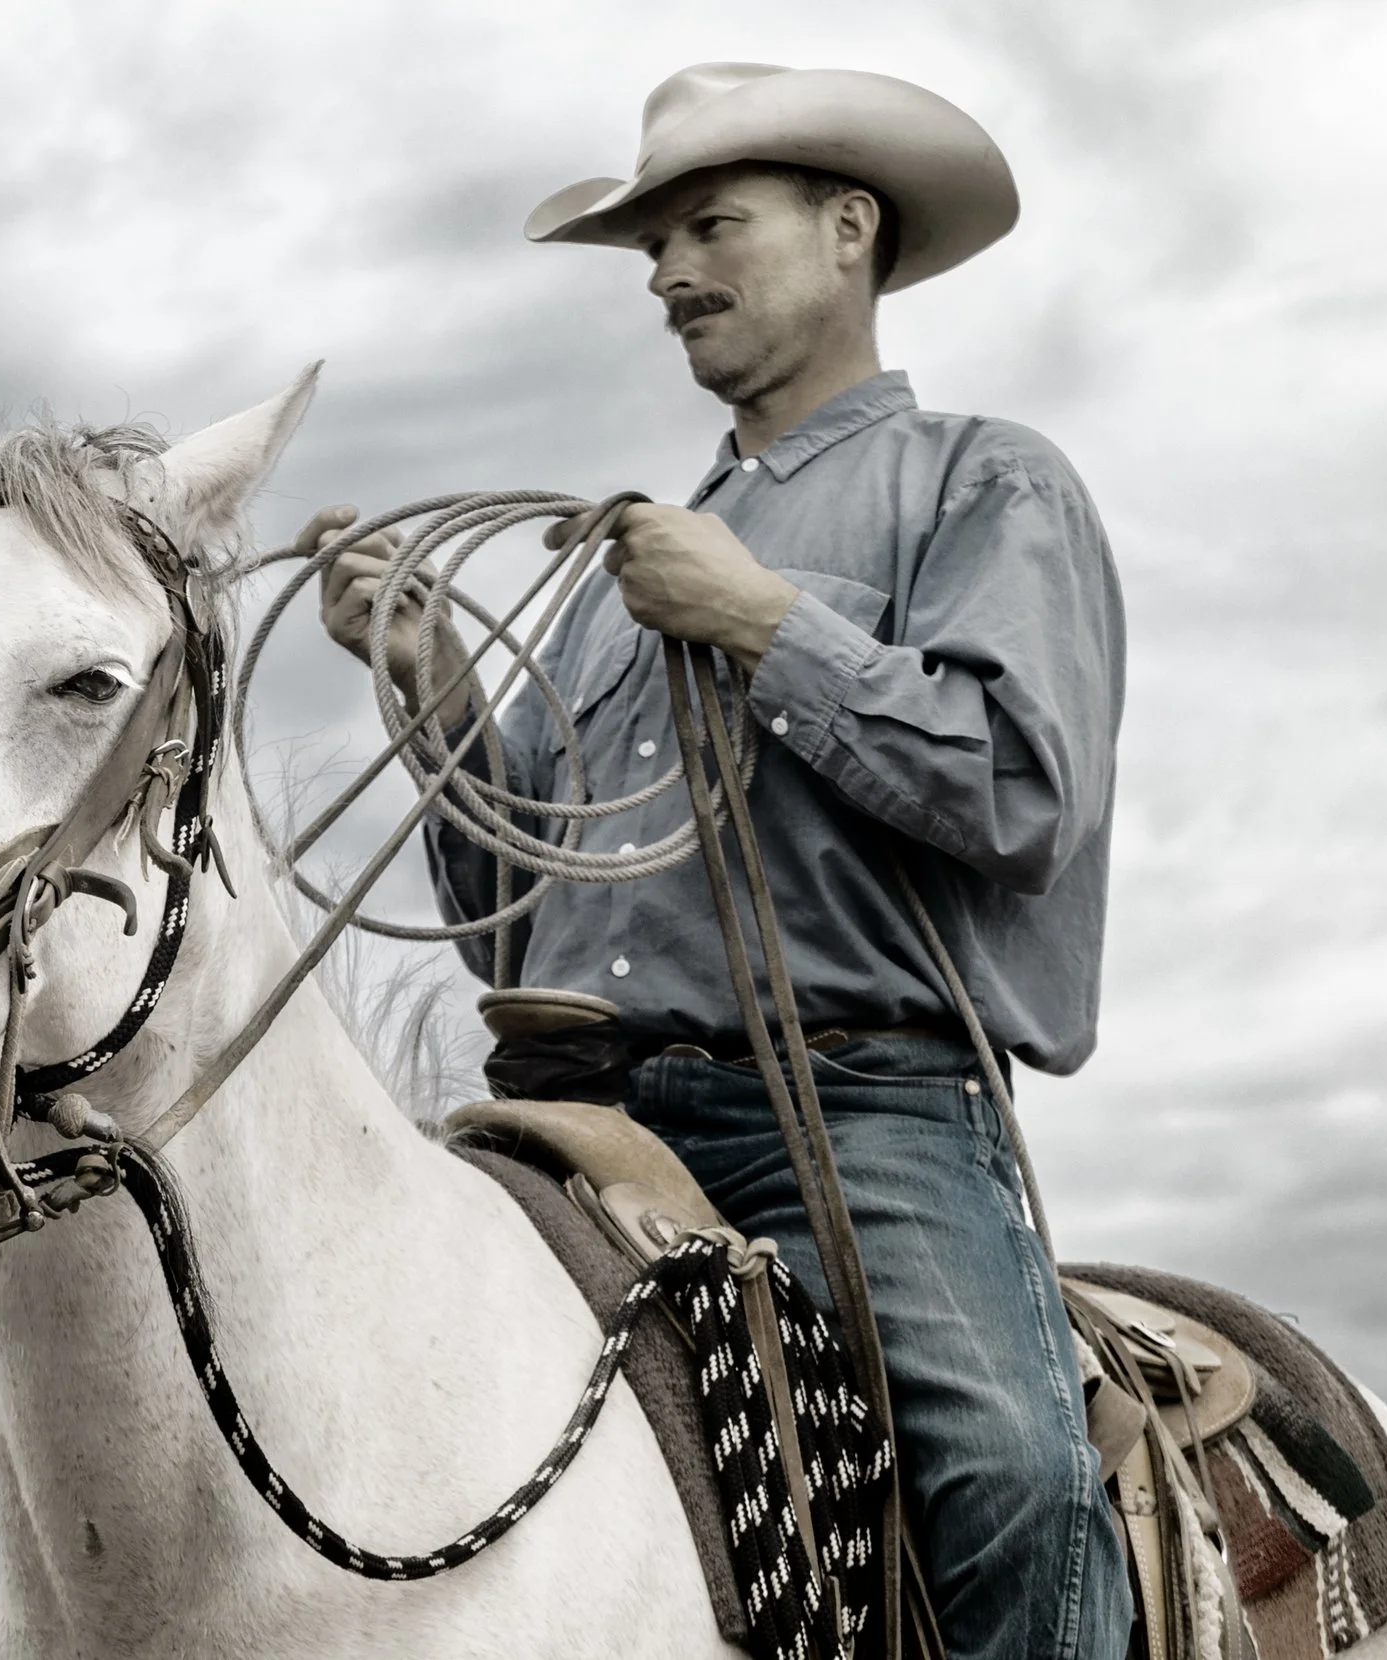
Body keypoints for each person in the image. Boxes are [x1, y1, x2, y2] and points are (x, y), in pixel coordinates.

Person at [299, 62, 1132, 1660]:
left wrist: (760, 621)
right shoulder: (613, 576)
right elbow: (516, 931)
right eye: (658, 247)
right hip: (581, 1113)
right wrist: (433, 682)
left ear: (846, 229)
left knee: (1017, 1482)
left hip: (864, 1115)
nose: (672, 276)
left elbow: (1025, 799)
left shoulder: (982, 480)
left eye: (707, 227)